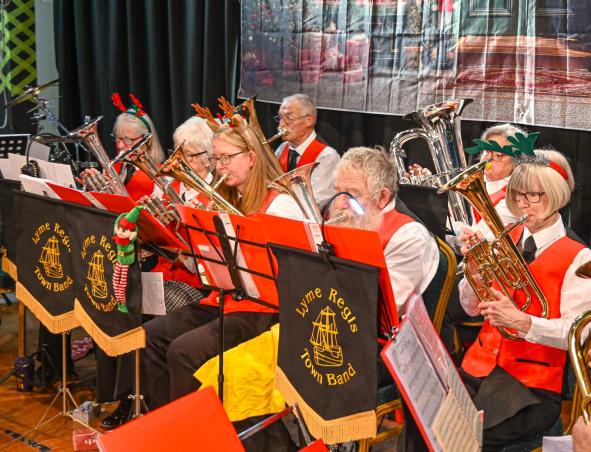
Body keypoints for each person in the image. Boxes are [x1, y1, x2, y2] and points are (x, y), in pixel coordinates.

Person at [405, 149, 591, 450]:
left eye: (533, 195)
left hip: (530, 386)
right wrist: (475, 272)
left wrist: (524, 322)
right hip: (478, 368)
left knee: (462, 437)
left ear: (556, 195)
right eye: (516, 195)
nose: (522, 204)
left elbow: (579, 333)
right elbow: (469, 307)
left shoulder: (579, 257)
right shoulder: (504, 241)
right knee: (420, 416)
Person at [141, 114, 305, 411]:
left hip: (265, 309)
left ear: (251, 158)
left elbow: (295, 274)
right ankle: (166, 423)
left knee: (183, 352)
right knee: (152, 335)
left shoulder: (280, 205)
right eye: (216, 159)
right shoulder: (222, 201)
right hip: (226, 300)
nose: (219, 166)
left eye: (227, 158)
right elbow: (206, 271)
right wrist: (190, 238)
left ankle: (199, 431)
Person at [330, 146, 439, 318]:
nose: (338, 204)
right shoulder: (353, 219)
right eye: (337, 192)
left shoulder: (410, 236)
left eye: (352, 195)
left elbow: (381, 311)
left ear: (382, 197)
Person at [274, 93, 339, 209]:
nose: (281, 124)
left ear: (309, 120)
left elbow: (315, 201)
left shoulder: (327, 157)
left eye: (289, 118)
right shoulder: (281, 148)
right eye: (280, 117)